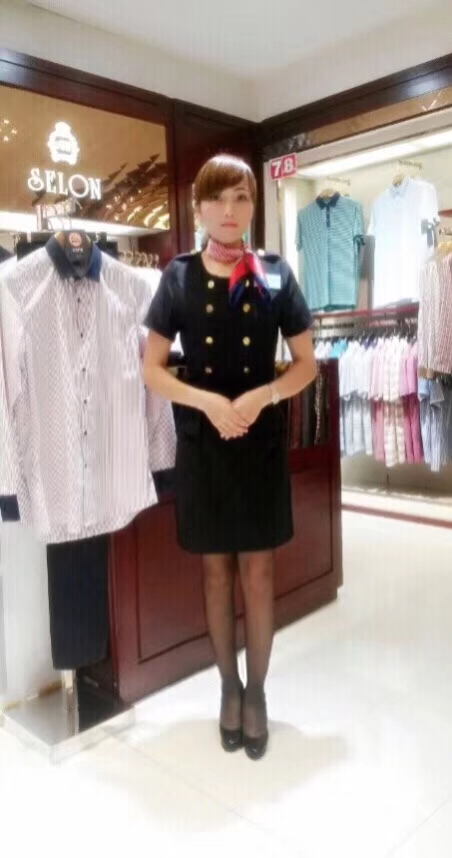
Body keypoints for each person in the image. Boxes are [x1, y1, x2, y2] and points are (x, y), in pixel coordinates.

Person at [143, 154, 316, 760]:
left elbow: (306, 364)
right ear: (198, 208)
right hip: (205, 445)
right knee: (215, 571)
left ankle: (258, 692)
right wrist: (208, 402)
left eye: (241, 197)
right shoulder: (178, 276)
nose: (229, 209)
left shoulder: (274, 273)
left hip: (259, 444)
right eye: (217, 198)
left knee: (259, 572)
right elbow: (152, 370)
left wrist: (264, 395)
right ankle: (228, 686)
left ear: (252, 206)